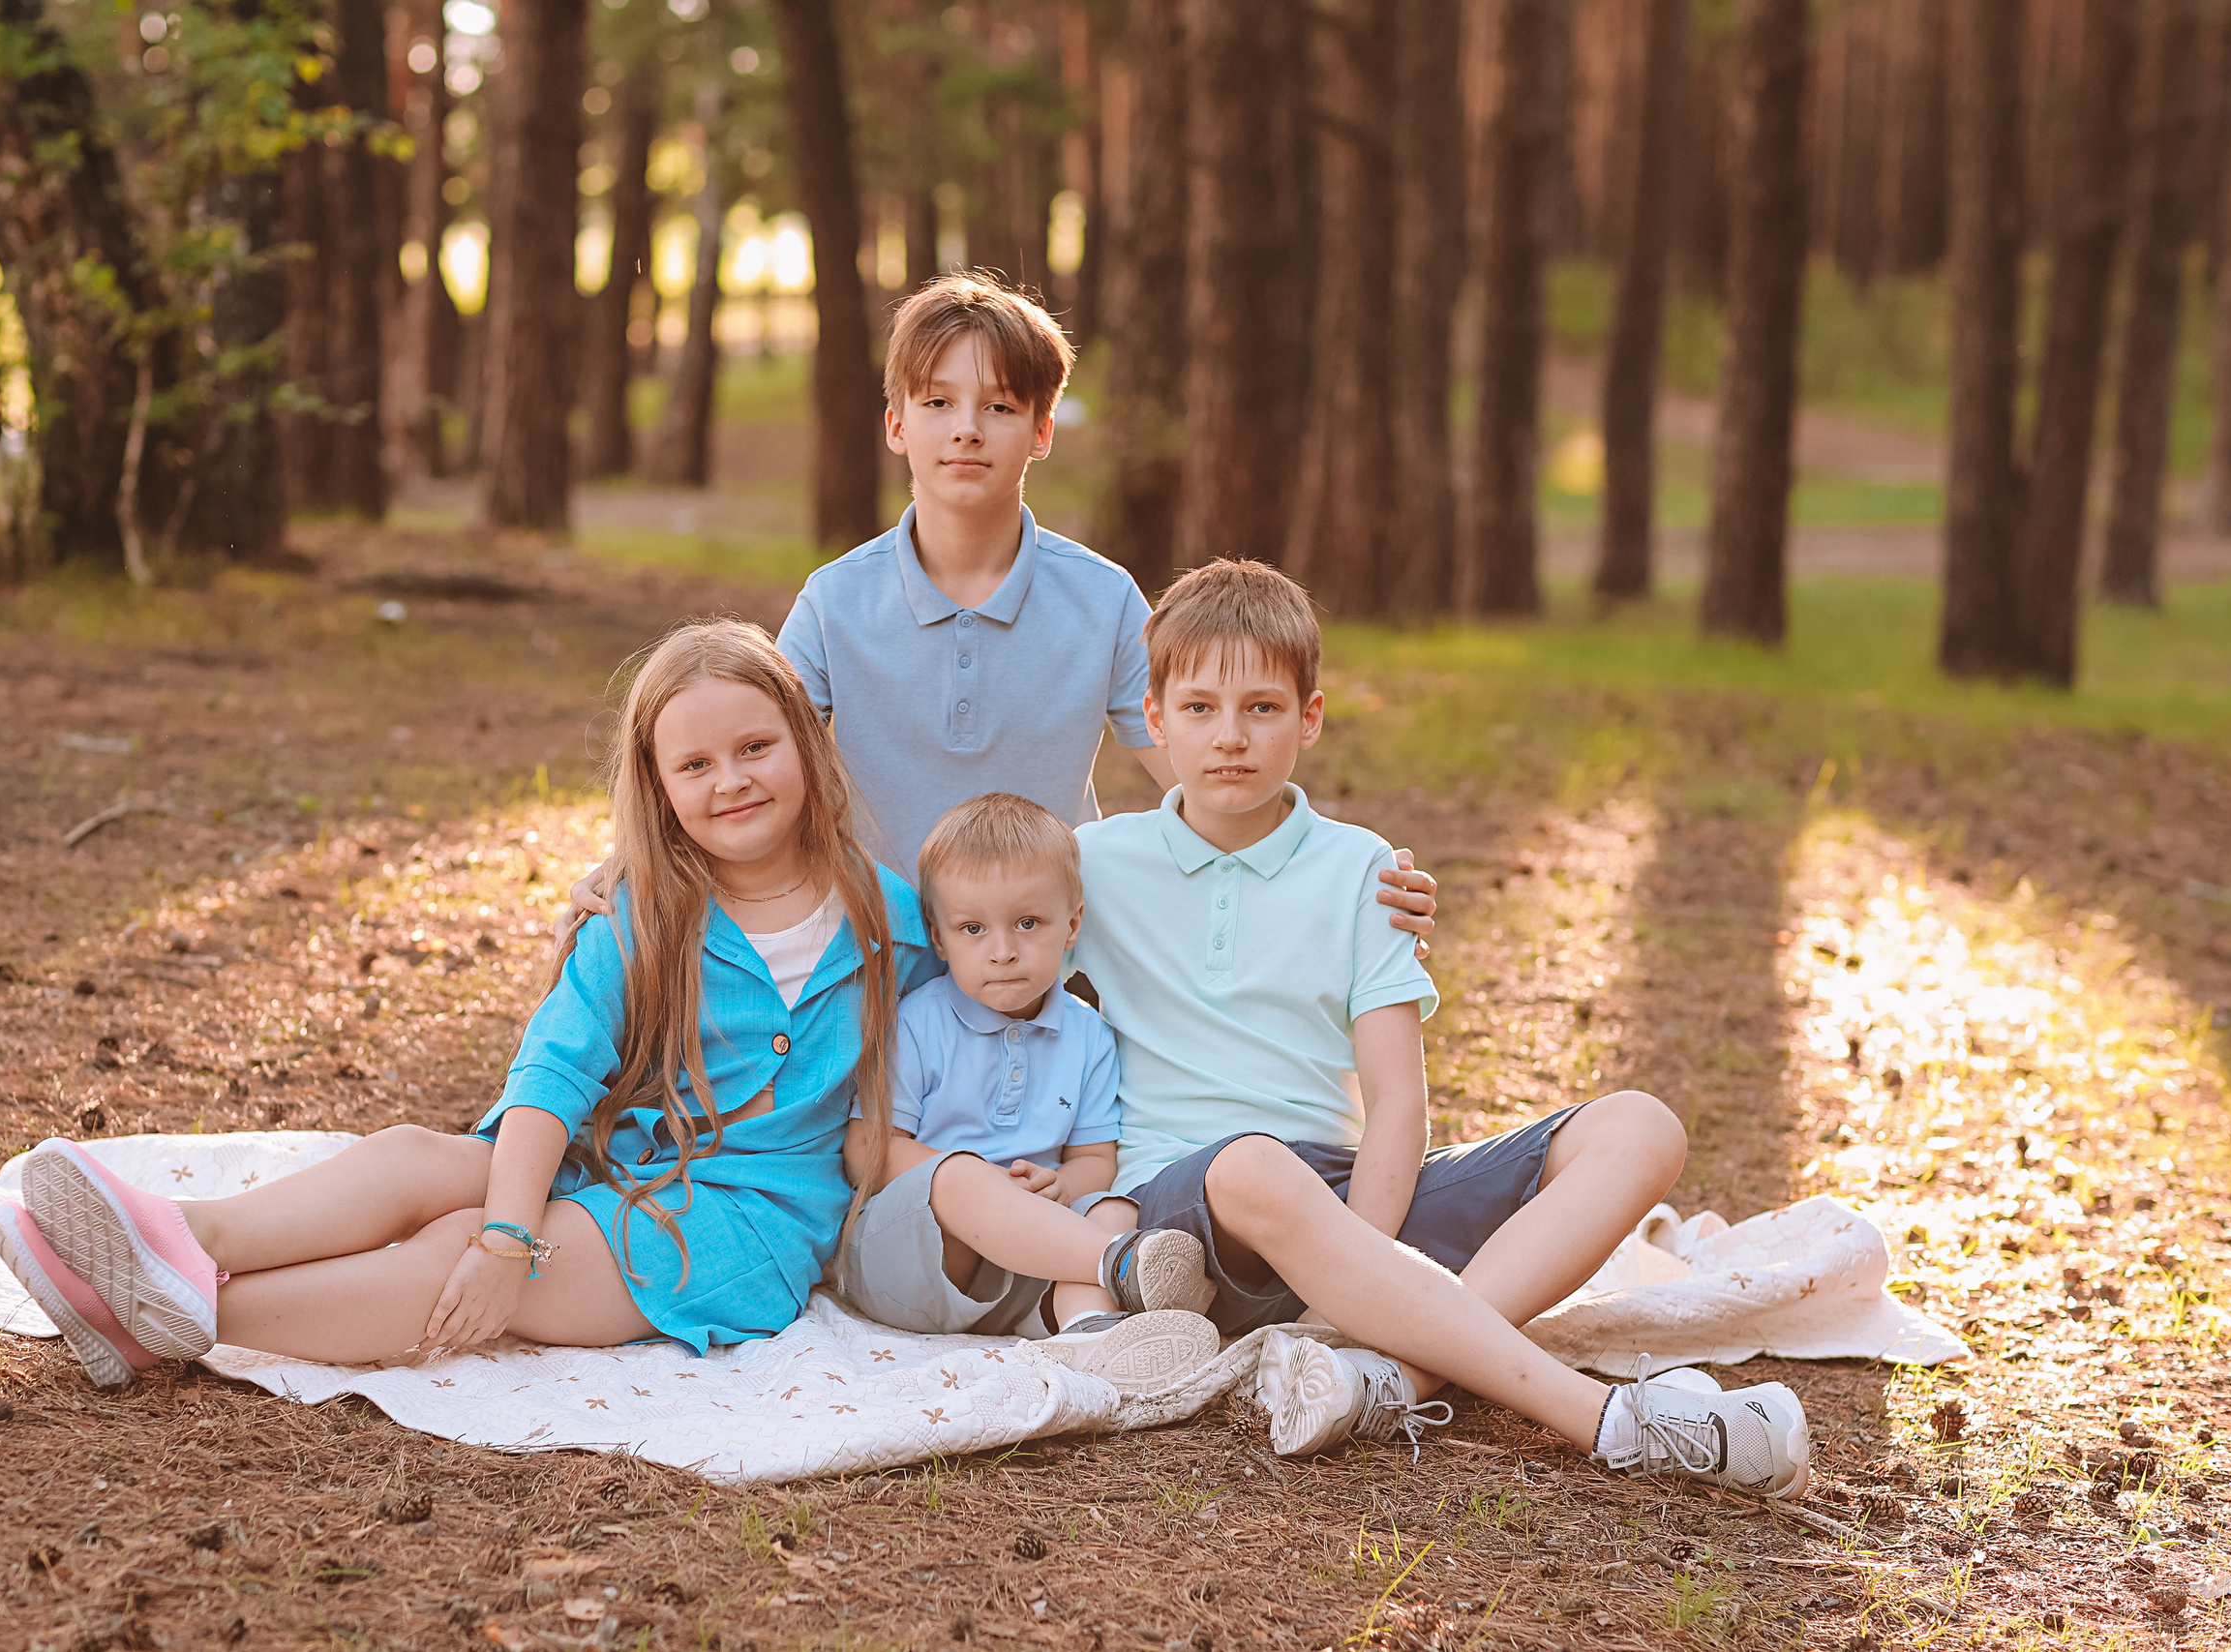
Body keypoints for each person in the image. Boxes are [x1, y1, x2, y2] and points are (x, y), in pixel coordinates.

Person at [0, 620, 959, 1382]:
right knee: (420, 1160)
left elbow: (966, 1045)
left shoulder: (893, 923)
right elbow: (554, 1068)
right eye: (695, 765)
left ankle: (163, 1317)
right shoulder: (647, 912)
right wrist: (512, 1214)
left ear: (804, 741)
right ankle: (179, 1239)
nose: (732, 780)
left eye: (756, 747)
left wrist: (502, 1244)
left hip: (742, 1227)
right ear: (659, 788)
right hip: (615, 1161)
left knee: (468, 1253)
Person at [1068, 559, 1814, 1498]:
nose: (1229, 737)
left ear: (1309, 719)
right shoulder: (1092, 863)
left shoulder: (1362, 869)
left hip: (1348, 1195)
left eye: (1261, 708)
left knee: (1640, 1127)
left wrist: (1355, 1258)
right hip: (1192, 1211)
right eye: (1201, 708)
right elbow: (977, 953)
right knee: (1253, 1164)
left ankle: (1388, 1373)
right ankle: (1611, 1421)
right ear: (1155, 717)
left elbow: (1395, 1099)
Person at [573, 271, 1441, 945]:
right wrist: (627, 867)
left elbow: (1213, 770)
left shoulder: (1101, 599)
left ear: (1042, 432)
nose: (966, 429)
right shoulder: (837, 601)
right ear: (896, 426)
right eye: (938, 403)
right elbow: (743, 759)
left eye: (999, 407)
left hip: (1050, 951)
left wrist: (1344, 870)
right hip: (881, 949)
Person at [835, 792, 1217, 1393]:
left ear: (1072, 924)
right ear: (938, 938)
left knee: (1115, 1207)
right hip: (919, 1264)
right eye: (973, 929)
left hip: (1030, 1270)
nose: (1003, 949)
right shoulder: (916, 1021)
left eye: (1028, 923)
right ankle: (1122, 1266)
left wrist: (1064, 1186)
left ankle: (1092, 1333)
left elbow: (1094, 1159)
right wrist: (975, 1184)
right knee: (963, 1179)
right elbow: (867, 1149)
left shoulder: (1088, 1034)